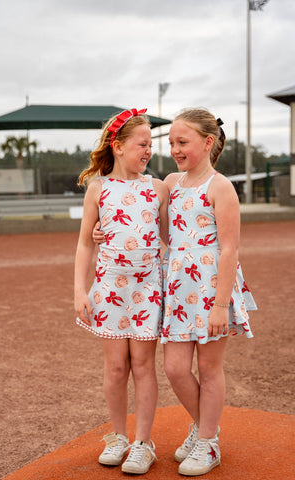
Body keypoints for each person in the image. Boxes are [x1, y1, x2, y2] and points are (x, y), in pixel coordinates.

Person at [162, 108, 257, 476]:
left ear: (208, 142)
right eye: (171, 142)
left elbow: (230, 249)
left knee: (208, 367)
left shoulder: (221, 187)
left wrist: (220, 306)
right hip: (179, 289)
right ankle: (205, 429)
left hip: (211, 288)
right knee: (173, 368)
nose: (174, 149)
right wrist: (100, 233)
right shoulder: (170, 182)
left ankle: (207, 443)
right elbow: (150, 222)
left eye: (182, 142)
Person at [74, 108, 168, 475]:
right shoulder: (98, 188)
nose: (148, 150)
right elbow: (84, 244)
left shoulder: (158, 188)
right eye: (142, 144)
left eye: (150, 144)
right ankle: (118, 437)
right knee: (115, 368)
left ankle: (143, 443)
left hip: (147, 289)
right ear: (118, 146)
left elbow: (168, 236)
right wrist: (79, 291)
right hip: (110, 289)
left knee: (143, 366)